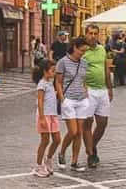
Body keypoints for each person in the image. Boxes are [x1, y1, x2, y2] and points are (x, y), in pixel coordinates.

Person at [55, 37, 89, 172]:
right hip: (69, 99)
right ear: (74, 47)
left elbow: (83, 80)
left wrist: (86, 92)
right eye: (81, 50)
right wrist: (62, 97)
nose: (83, 53)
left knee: (79, 132)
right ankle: (62, 152)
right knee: (73, 131)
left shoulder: (84, 63)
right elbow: (58, 81)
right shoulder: (62, 62)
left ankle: (74, 162)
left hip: (82, 100)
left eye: (85, 51)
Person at [82, 24, 113, 168]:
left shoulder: (102, 49)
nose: (93, 36)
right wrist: (82, 88)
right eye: (90, 33)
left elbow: (106, 69)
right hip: (88, 91)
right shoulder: (82, 51)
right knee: (87, 123)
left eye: (95, 33)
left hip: (102, 90)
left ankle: (92, 145)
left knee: (102, 123)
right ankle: (91, 154)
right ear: (86, 34)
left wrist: (110, 88)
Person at [32, 59, 61, 178]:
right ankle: (38, 166)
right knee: (45, 140)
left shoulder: (50, 82)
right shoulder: (42, 84)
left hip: (52, 115)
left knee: (57, 139)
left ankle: (48, 159)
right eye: (52, 71)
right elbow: (40, 101)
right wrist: (42, 118)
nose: (54, 73)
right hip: (44, 115)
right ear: (45, 71)